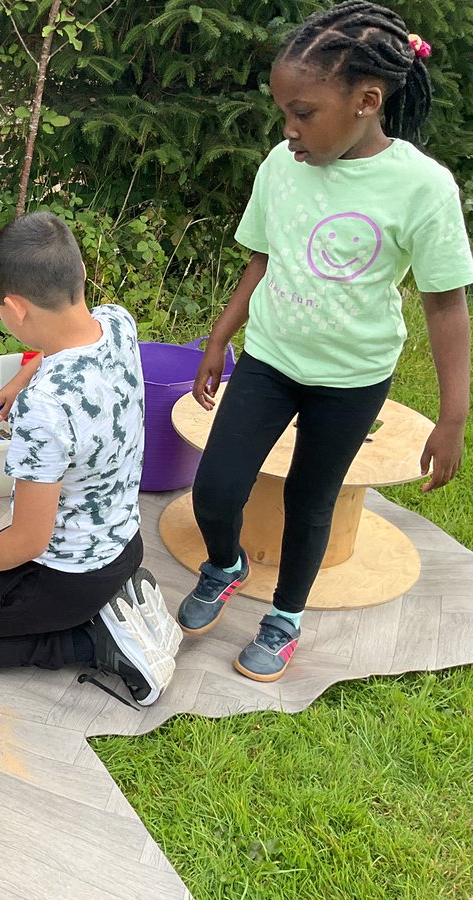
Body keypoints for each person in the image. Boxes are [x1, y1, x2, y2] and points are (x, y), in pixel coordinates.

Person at [178, 1, 473, 681]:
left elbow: (446, 304)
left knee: (312, 502)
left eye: (304, 112)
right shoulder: (281, 168)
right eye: (284, 111)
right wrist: (220, 340)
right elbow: (261, 258)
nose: (290, 129)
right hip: (270, 361)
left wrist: (453, 417)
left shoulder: (423, 189)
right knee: (216, 490)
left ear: (368, 100)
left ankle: (284, 618)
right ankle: (225, 565)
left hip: (352, 379)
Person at [0, 211, 181, 707]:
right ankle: (100, 609)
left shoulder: (45, 409)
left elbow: (29, 541)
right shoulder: (117, 322)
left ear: (15, 308)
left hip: (69, 579)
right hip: (124, 545)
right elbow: (59, 350)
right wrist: (20, 378)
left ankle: (85, 641)